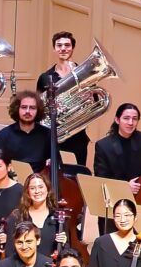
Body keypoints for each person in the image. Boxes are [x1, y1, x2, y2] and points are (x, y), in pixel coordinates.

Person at [33, 31, 95, 167]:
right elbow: (37, 108)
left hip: (77, 136)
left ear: (73, 48)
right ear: (54, 49)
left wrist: (90, 97)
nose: (63, 49)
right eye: (59, 45)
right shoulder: (45, 77)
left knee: (76, 178)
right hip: (53, 137)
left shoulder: (84, 74)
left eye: (67, 45)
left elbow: (95, 101)